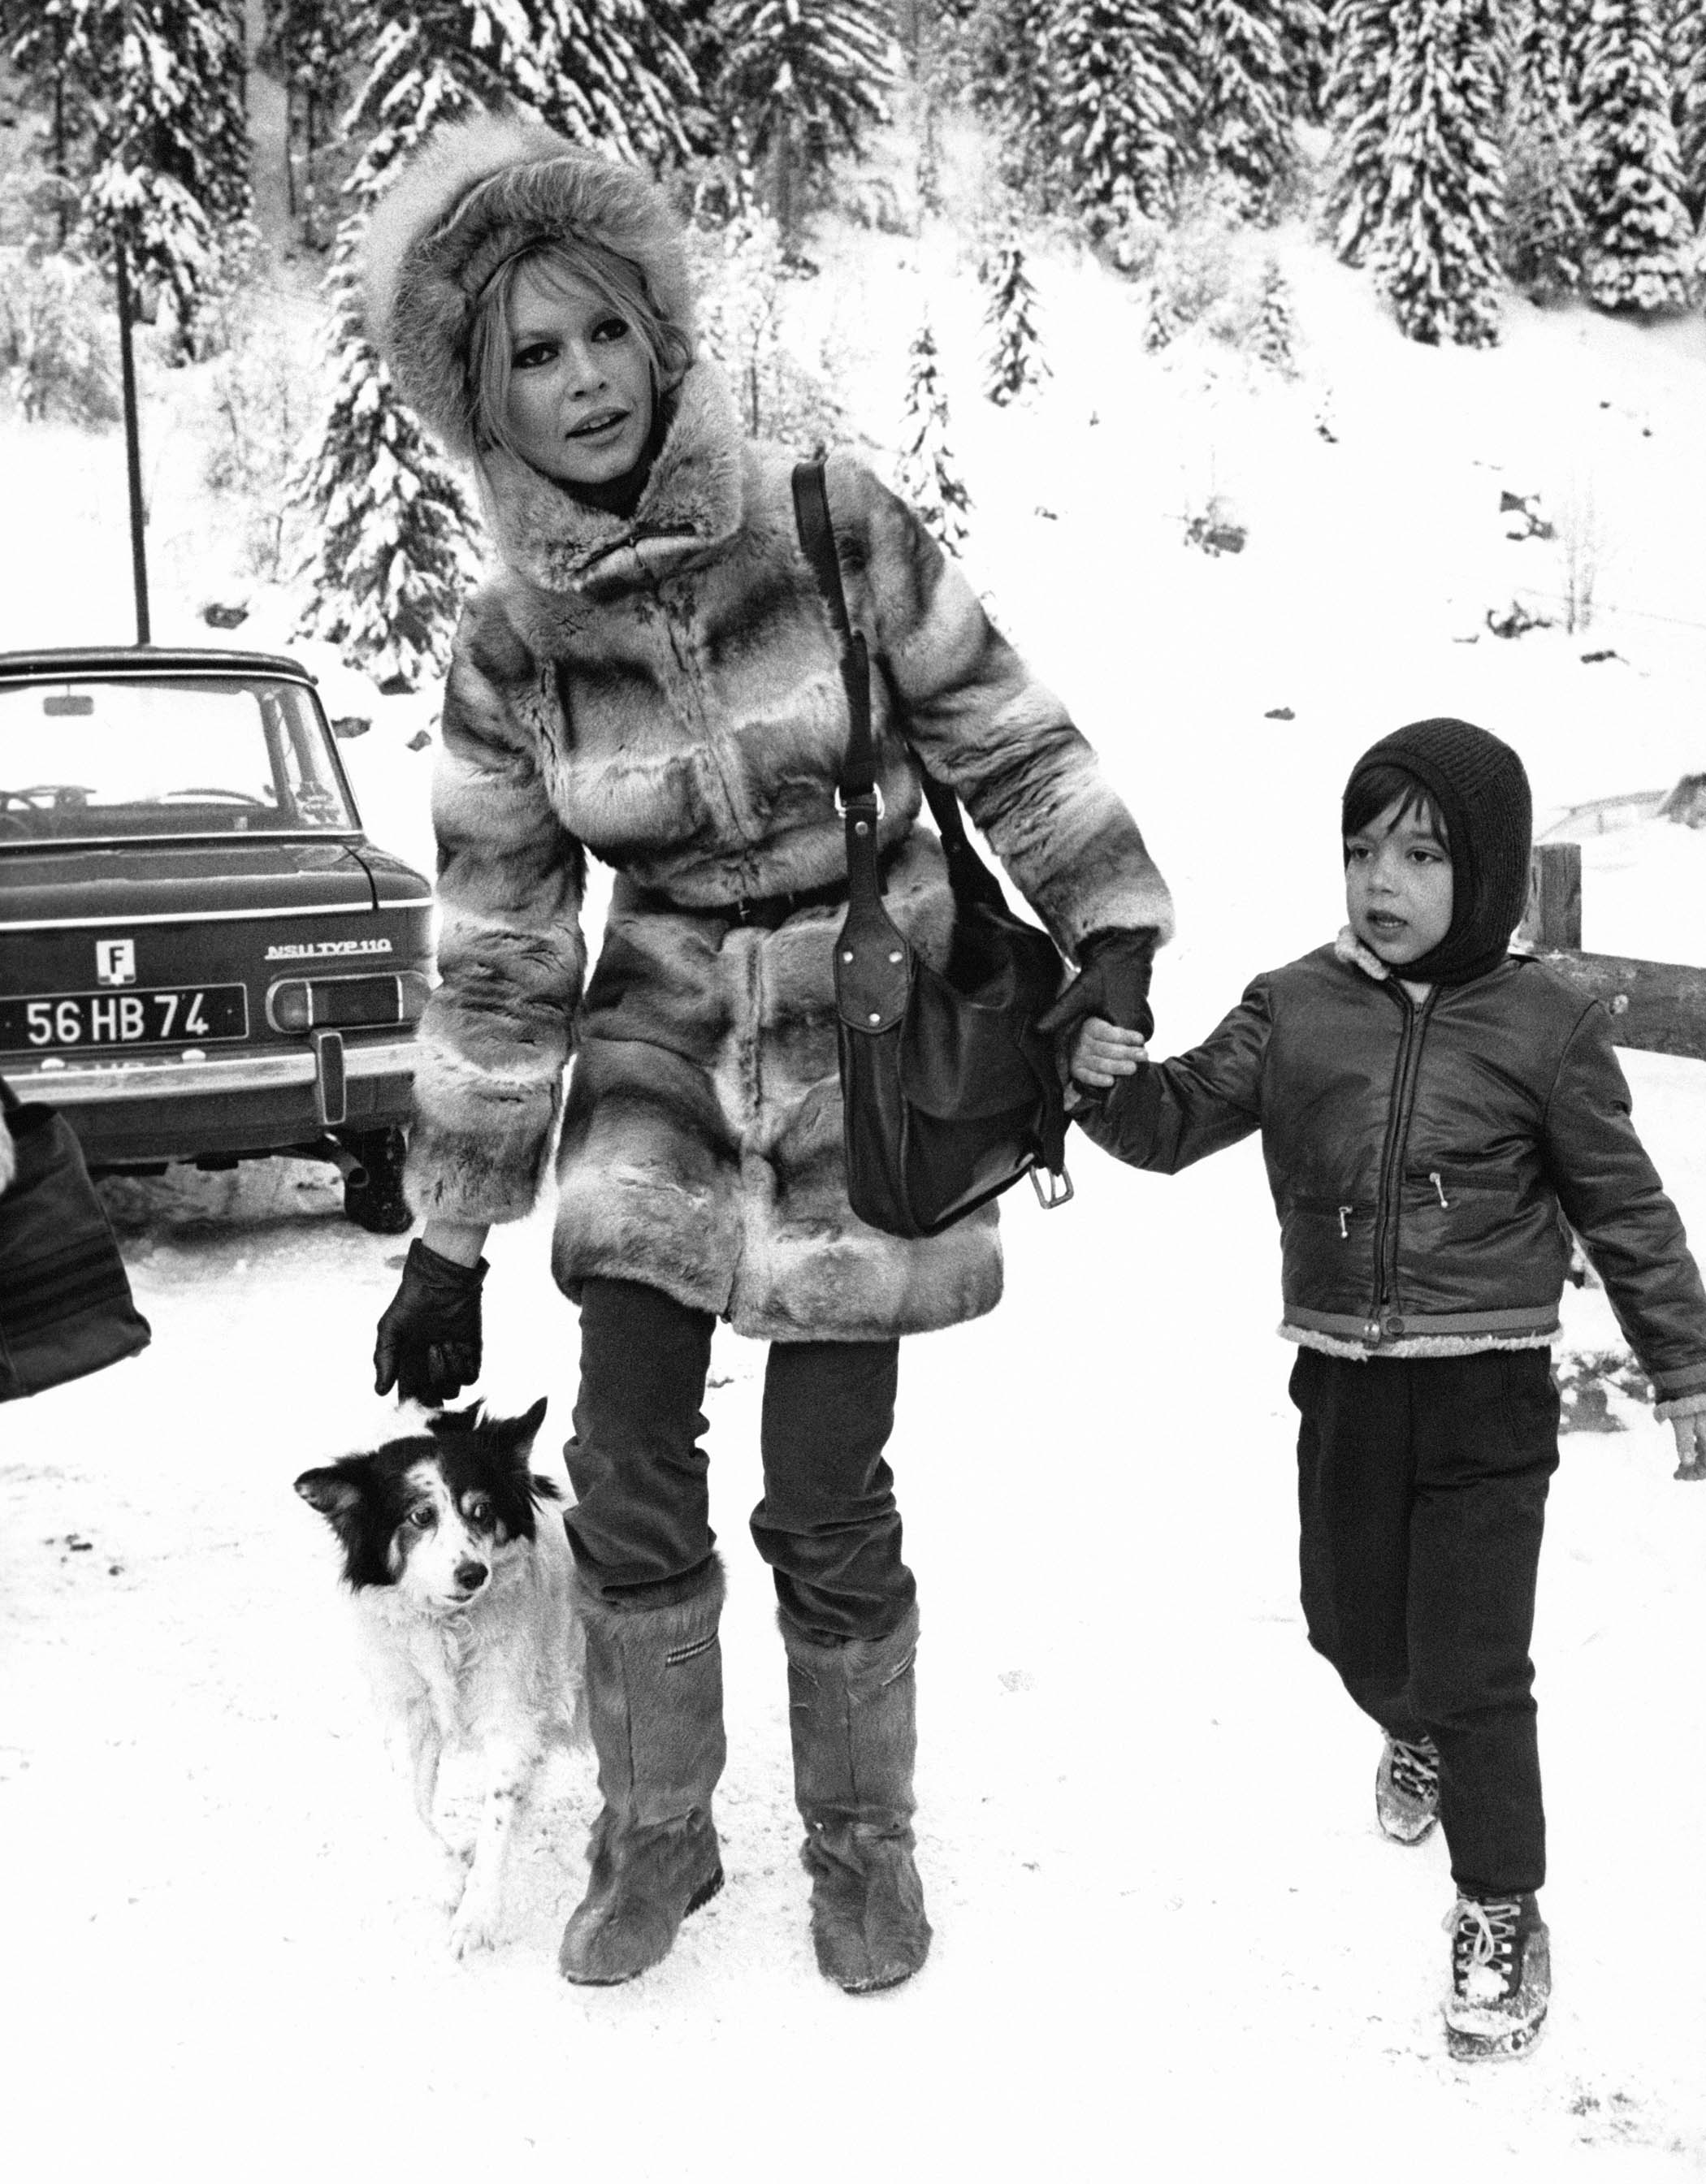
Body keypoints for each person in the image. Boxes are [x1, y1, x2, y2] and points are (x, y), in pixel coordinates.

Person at [362, 112, 1173, 1995]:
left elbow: (1009, 736)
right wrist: (450, 1231)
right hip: (651, 1054)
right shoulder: (513, 645)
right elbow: (498, 946)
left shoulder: (831, 520)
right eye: (529, 360)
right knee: (632, 1463)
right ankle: (657, 1832)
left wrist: (1114, 923)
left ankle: (864, 1841)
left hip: (863, 1039)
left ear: (660, 331)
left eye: (601, 336)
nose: (580, 383)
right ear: (482, 407)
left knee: (825, 1480)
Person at [1067, 716, 1706, 2061]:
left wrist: (1687, 1366)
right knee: (1351, 1628)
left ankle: (1499, 1902)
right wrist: (1102, 1088)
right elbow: (1174, 1122)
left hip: (1489, 1398)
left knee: (1477, 1667)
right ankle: (1404, 1725)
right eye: (1363, 851)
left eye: (1421, 854)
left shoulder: (1549, 1021)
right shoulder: (1297, 1005)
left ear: (1486, 873)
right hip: (1346, 1386)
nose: (1383, 882)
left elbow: (1628, 1212)